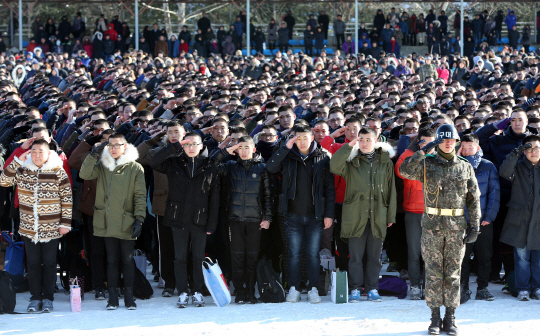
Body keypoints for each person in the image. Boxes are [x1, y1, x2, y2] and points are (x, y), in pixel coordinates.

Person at [399, 124, 481, 335]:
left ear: (456, 142)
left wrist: (475, 225)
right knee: (434, 273)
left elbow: (473, 199)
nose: (447, 143)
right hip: (432, 226)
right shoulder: (426, 163)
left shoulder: (464, 166)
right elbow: (404, 170)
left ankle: (451, 317)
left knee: (453, 274)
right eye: (442, 140)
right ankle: (435, 317)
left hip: (456, 228)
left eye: (450, 139)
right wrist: (425, 150)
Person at [0, 139, 72, 313]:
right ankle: (35, 298)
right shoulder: (23, 169)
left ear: (48, 153)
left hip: (52, 227)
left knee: (49, 263)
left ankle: (48, 298)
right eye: (34, 151)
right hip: (29, 227)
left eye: (41, 151)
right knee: (32, 264)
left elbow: (67, 199)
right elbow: (4, 181)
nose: (37, 155)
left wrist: (65, 223)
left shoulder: (57, 171)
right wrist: (18, 159)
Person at [266, 124, 335, 304]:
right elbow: (271, 167)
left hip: (315, 216)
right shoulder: (288, 156)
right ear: (293, 139)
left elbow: (329, 188)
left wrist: (329, 214)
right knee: (294, 254)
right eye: (298, 138)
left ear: (312, 137)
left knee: (312, 254)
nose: (302, 141)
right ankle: (294, 288)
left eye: (305, 137)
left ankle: (313, 288)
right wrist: (285, 148)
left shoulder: (323, 157)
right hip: (292, 215)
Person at [150, 132, 219, 308]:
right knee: (179, 258)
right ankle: (182, 292)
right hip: (177, 218)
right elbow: (154, 161)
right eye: (187, 144)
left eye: (194, 144)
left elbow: (214, 198)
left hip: (200, 220)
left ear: (202, 146)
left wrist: (211, 223)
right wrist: (174, 146)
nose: (191, 148)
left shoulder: (209, 165)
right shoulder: (174, 163)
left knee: (197, 258)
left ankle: (197, 291)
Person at [79, 133, 146, 310]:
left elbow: (140, 195)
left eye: (118, 145)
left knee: (127, 259)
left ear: (125, 146)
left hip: (127, 221)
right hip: (106, 221)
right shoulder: (102, 165)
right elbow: (84, 173)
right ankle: (113, 297)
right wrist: (95, 153)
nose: (114, 148)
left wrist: (139, 219)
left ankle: (129, 297)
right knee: (112, 260)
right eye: (110, 145)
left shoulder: (135, 168)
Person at [330, 127, 396, 302]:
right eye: (362, 139)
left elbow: (391, 190)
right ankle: (355, 288)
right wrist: (348, 146)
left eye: (368, 139)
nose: (365, 143)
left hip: (378, 215)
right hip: (356, 215)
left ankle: (373, 288)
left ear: (376, 141)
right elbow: (334, 166)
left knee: (375, 257)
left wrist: (390, 216)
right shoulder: (352, 160)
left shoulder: (385, 161)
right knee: (355, 257)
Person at [211, 136, 272, 304]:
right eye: (240, 147)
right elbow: (212, 167)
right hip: (234, 219)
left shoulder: (262, 168)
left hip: (255, 221)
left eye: (247, 147)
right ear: (236, 150)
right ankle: (239, 291)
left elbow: (268, 195)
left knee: (252, 257)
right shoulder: (230, 166)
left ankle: (250, 291)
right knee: (237, 257)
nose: (244, 151)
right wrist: (224, 152)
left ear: (253, 149)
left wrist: (267, 218)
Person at [395, 127, 436, 300]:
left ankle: (428, 285)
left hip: (433, 211)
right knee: (413, 252)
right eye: (423, 142)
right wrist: (412, 149)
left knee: (431, 252)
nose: (427, 146)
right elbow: (399, 170)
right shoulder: (410, 156)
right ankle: (415, 286)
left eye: (430, 142)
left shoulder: (440, 158)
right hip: (412, 210)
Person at [458, 134, 500, 303]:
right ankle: (464, 288)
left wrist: (489, 216)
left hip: (482, 220)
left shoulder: (488, 166)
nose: (467, 150)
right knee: (463, 257)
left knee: (484, 255)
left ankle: (482, 288)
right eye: (464, 147)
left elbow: (494, 193)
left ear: (477, 147)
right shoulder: (455, 165)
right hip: (462, 220)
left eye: (470, 147)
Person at [499, 135, 540, 301]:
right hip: (520, 220)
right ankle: (523, 288)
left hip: (538, 221)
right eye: (529, 148)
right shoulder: (518, 167)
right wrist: (516, 153)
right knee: (522, 258)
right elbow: (504, 171)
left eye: (537, 148)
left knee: (538, 258)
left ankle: (537, 287)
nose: (533, 152)